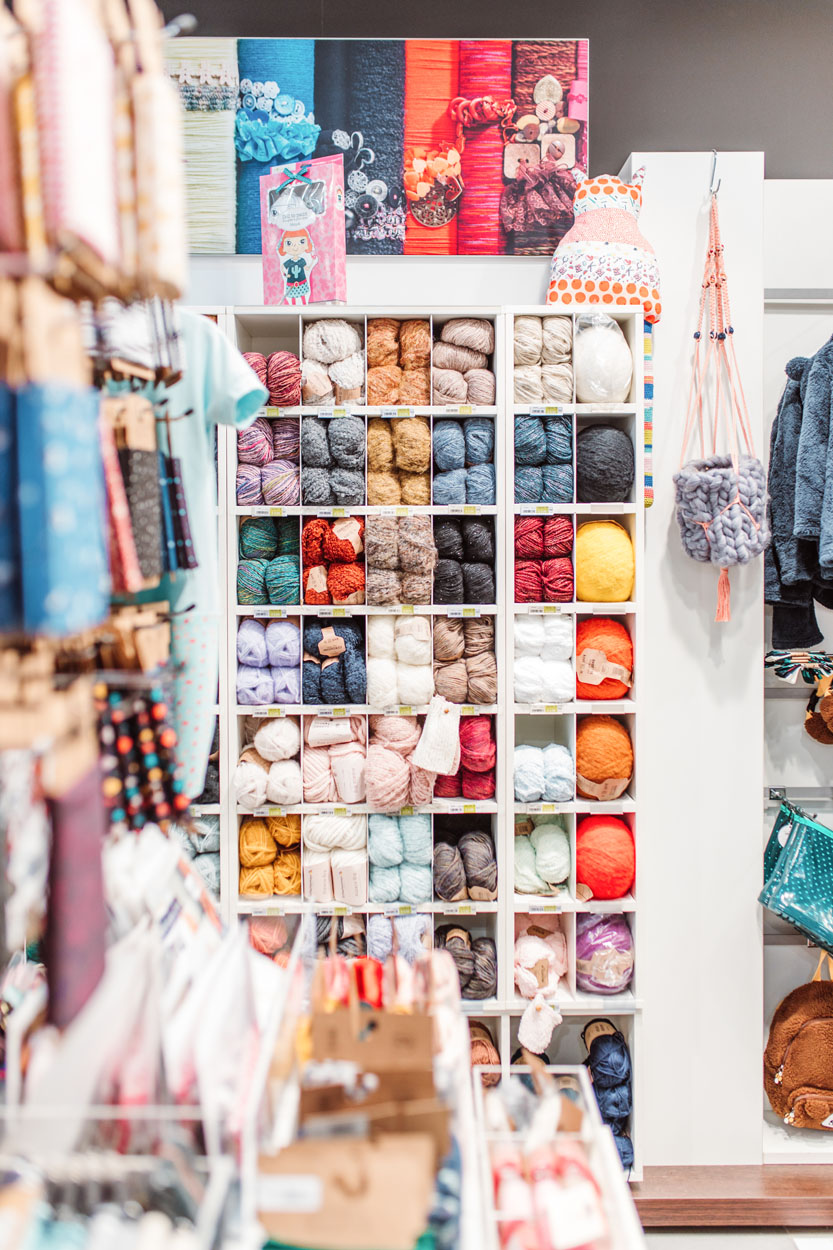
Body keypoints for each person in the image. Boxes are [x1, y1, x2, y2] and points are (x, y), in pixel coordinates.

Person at [278, 228, 317, 305]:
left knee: (303, 296)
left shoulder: (302, 260)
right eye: (289, 243)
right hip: (291, 283)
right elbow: (282, 266)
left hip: (301, 282)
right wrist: (285, 275)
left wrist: (313, 261)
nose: (295, 247)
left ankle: (304, 304)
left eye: (301, 242)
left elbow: (307, 268)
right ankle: (293, 307)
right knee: (293, 297)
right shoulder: (289, 262)